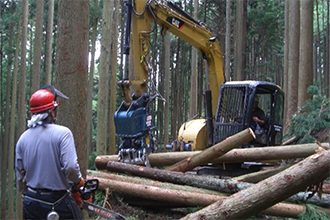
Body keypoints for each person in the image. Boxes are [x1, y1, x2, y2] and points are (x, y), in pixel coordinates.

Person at [15, 85, 85, 220]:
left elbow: (19, 174)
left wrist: (26, 194)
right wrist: (78, 182)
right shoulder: (63, 133)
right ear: (52, 111)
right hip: (56, 202)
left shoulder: (22, 138)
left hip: (31, 201)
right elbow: (70, 166)